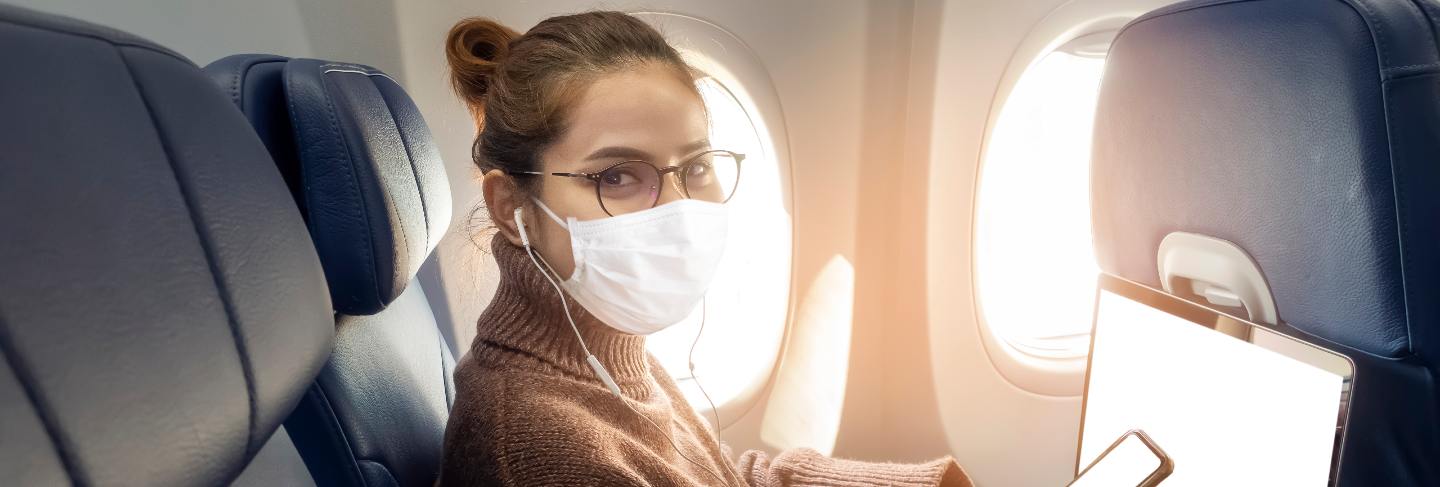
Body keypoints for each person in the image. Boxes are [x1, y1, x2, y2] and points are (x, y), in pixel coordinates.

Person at [437, 11, 973, 487]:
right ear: (511, 206)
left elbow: (715, 475)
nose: (677, 207)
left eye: (695, 167)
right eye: (618, 175)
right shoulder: (539, 446)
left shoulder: (602, 349)